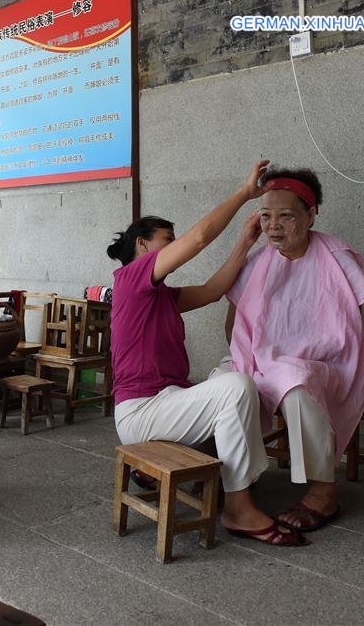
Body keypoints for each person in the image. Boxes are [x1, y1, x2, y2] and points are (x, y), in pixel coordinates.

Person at [109, 160, 307, 546]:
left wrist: (246, 241)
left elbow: (215, 290)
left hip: (167, 400)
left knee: (235, 375)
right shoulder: (130, 280)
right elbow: (199, 239)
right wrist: (243, 194)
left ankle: (220, 479)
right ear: (143, 245)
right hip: (140, 411)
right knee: (236, 388)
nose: (175, 245)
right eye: (168, 239)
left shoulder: (160, 296)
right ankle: (238, 507)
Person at [223, 168, 364, 532]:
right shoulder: (257, 262)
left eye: (286, 216)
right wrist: (253, 360)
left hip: (325, 364)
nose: (273, 226)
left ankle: (324, 491)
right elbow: (233, 324)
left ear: (311, 215)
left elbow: (350, 328)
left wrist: (296, 355)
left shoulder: (336, 257)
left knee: (296, 384)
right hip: (262, 361)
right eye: (266, 216)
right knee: (226, 383)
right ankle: (238, 479)